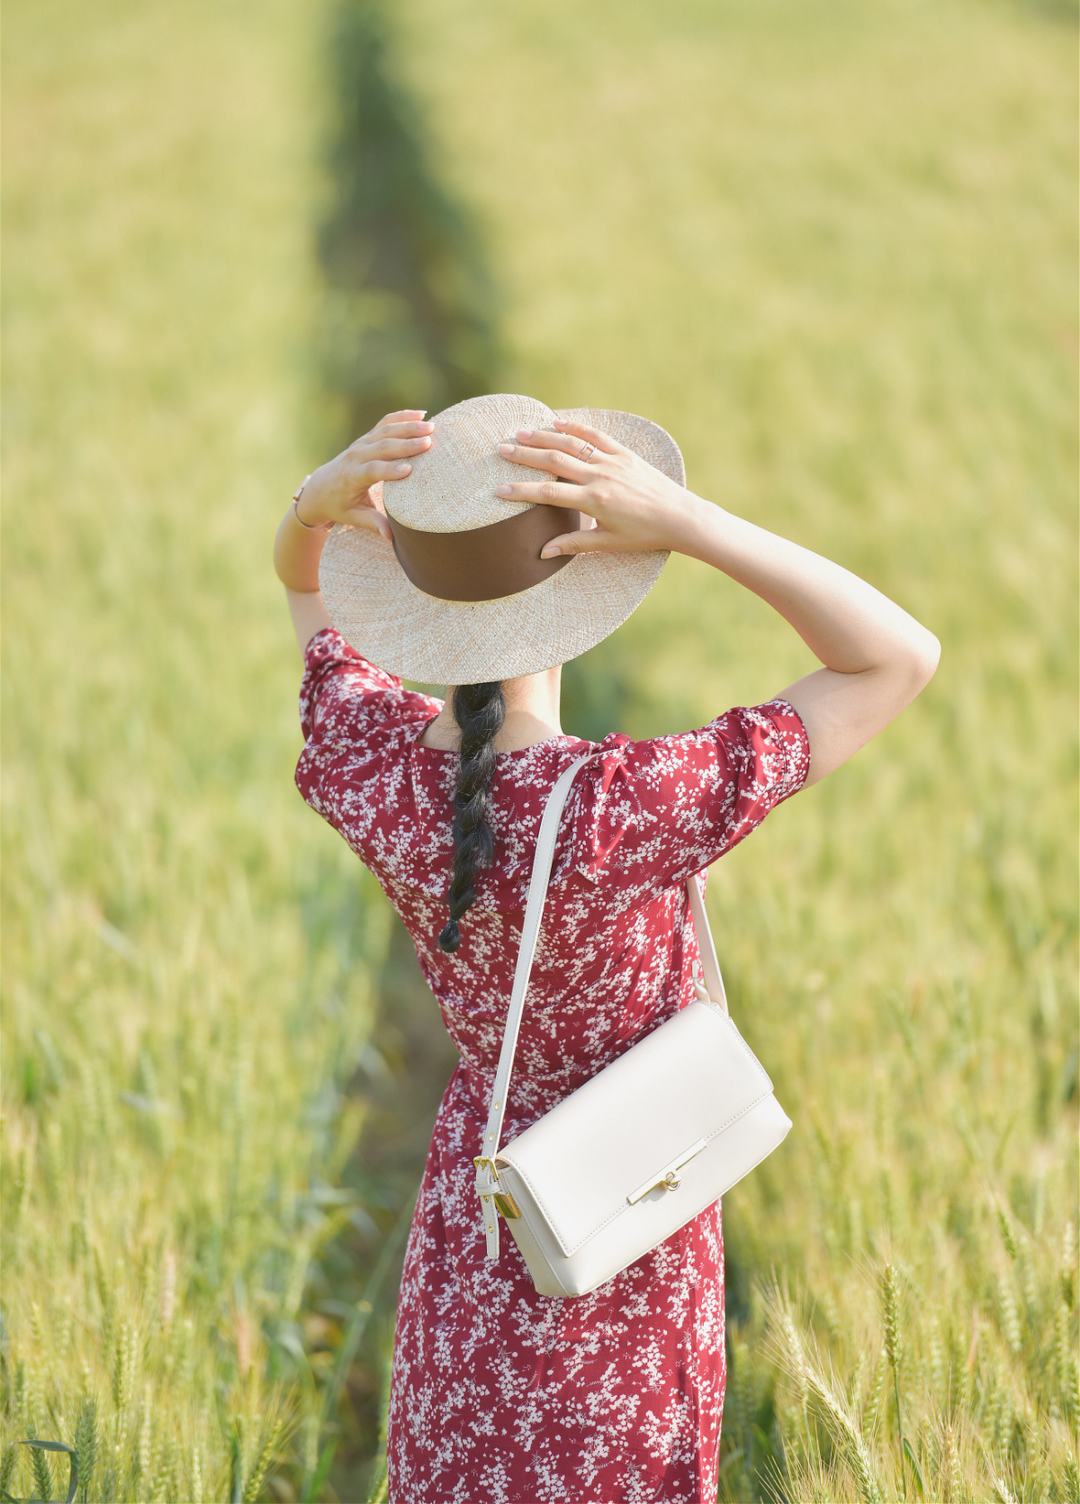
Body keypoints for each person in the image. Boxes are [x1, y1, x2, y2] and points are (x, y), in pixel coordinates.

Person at [273, 394, 939, 1504]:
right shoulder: (622, 807)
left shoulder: (374, 772)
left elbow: (302, 593)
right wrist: (690, 522)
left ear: (420, 604)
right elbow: (896, 658)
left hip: (480, 1230)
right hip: (628, 1230)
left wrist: (314, 505)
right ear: (588, 590)